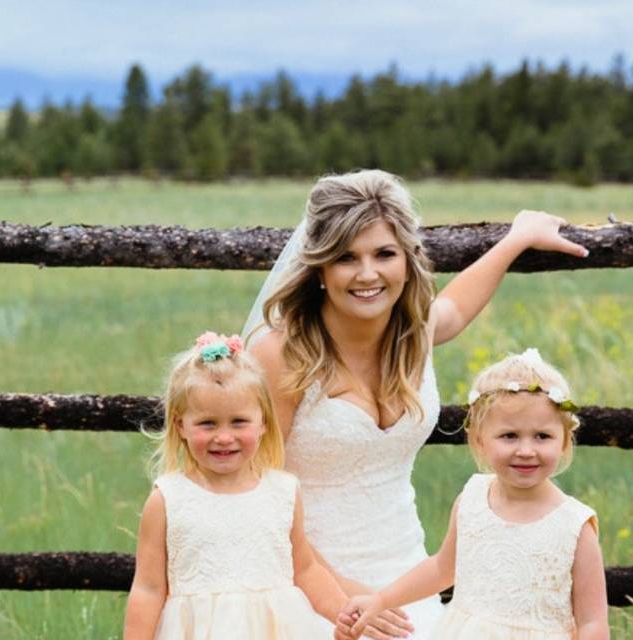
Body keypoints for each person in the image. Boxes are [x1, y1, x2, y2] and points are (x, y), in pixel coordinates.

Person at [246, 169, 588, 639]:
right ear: (320, 268)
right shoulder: (282, 354)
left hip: (406, 575)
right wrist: (338, 596)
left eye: (384, 254)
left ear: (407, 260)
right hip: (306, 581)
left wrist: (516, 239)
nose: (368, 274)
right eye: (347, 258)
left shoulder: (411, 333)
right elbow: (259, 497)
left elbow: (455, 308)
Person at [336, 348, 609, 640]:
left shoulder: (574, 526)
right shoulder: (473, 498)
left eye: (542, 436)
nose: (526, 450)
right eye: (509, 436)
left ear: (565, 442)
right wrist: (381, 600)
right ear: (479, 440)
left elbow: (592, 621)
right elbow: (442, 567)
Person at [123, 331, 346, 640]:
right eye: (207, 423)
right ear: (180, 425)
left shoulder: (283, 492)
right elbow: (148, 588)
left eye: (239, 422)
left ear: (264, 422)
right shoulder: (168, 499)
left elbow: (305, 568)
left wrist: (343, 613)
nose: (224, 437)